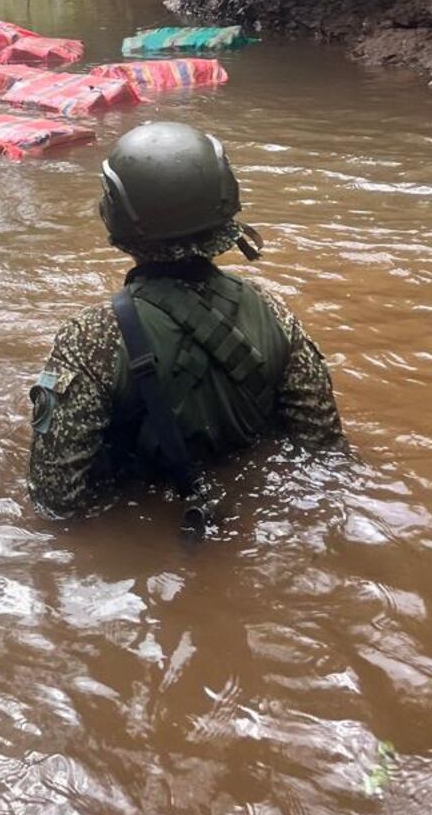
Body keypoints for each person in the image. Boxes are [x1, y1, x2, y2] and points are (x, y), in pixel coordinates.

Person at [27, 121, 343, 520]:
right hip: (262, 514)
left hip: (145, 536)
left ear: (119, 220)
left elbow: (55, 502)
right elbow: (325, 452)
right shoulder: (274, 313)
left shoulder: (89, 339)